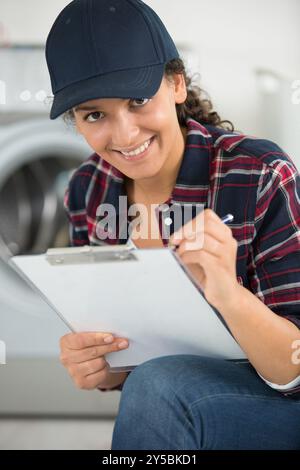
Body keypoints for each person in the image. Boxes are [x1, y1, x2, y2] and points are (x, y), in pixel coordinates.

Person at [45, 0, 300, 450]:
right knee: (157, 384)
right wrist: (105, 367)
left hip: (285, 402)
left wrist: (229, 295)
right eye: (95, 115)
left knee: (159, 385)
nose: (124, 136)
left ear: (177, 84)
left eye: (138, 100)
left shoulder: (259, 173)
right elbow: (133, 363)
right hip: (186, 397)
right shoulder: (88, 189)